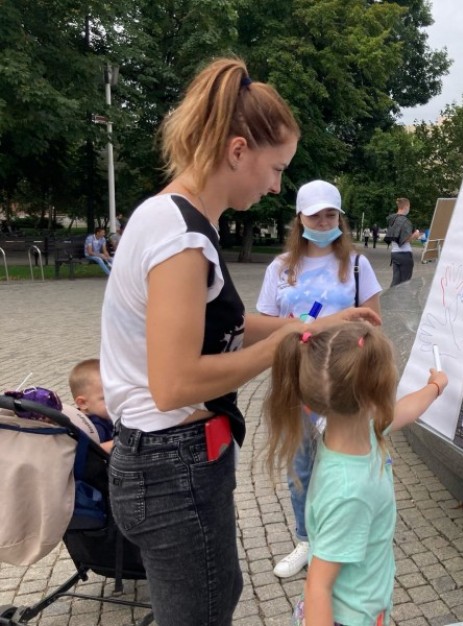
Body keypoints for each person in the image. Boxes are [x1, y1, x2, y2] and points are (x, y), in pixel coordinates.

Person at [100, 58, 380, 626]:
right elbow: (174, 383)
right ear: (236, 151)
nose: (276, 186)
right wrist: (287, 344)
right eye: (276, 169)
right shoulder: (181, 237)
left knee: (216, 594)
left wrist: (315, 325)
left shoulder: (173, 218)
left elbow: (223, 325)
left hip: (168, 462)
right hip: (172, 465)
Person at [264, 322, 448, 626]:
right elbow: (318, 587)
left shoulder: (356, 431)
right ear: (374, 397)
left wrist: (435, 387)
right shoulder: (351, 491)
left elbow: (402, 411)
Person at [256, 178, 383, 579]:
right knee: (301, 465)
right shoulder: (281, 268)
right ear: (300, 218)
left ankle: (347, 539)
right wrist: (298, 328)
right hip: (295, 382)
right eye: (316, 216)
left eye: (331, 215)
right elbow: (264, 326)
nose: (325, 223)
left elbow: (374, 326)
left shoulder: (357, 265)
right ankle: (306, 539)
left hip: (345, 382)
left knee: (348, 462)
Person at [68, 358, 114, 453]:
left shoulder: (96, 413)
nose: (115, 402)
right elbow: (93, 452)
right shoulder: (94, 427)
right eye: (106, 398)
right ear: (83, 403)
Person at [387, 197, 421, 287]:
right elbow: (404, 240)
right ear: (406, 207)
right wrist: (415, 235)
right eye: (409, 207)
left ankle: (390, 296)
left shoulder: (392, 219)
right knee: (405, 283)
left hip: (394, 253)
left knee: (396, 282)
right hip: (404, 254)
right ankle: (399, 296)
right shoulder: (404, 221)